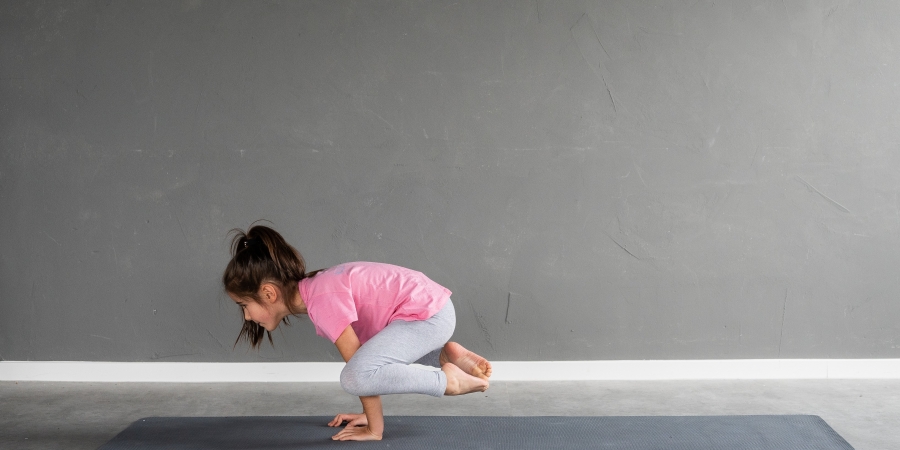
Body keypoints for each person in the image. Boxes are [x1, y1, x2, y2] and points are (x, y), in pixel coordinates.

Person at [221, 224, 492, 441]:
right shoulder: (317, 288)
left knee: (352, 378)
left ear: (269, 293)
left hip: (428, 315)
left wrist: (374, 429)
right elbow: (367, 358)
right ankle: (443, 356)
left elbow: (359, 371)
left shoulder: (321, 300)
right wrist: (367, 414)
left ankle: (447, 381)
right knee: (367, 364)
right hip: (429, 312)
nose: (246, 316)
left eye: (244, 305)